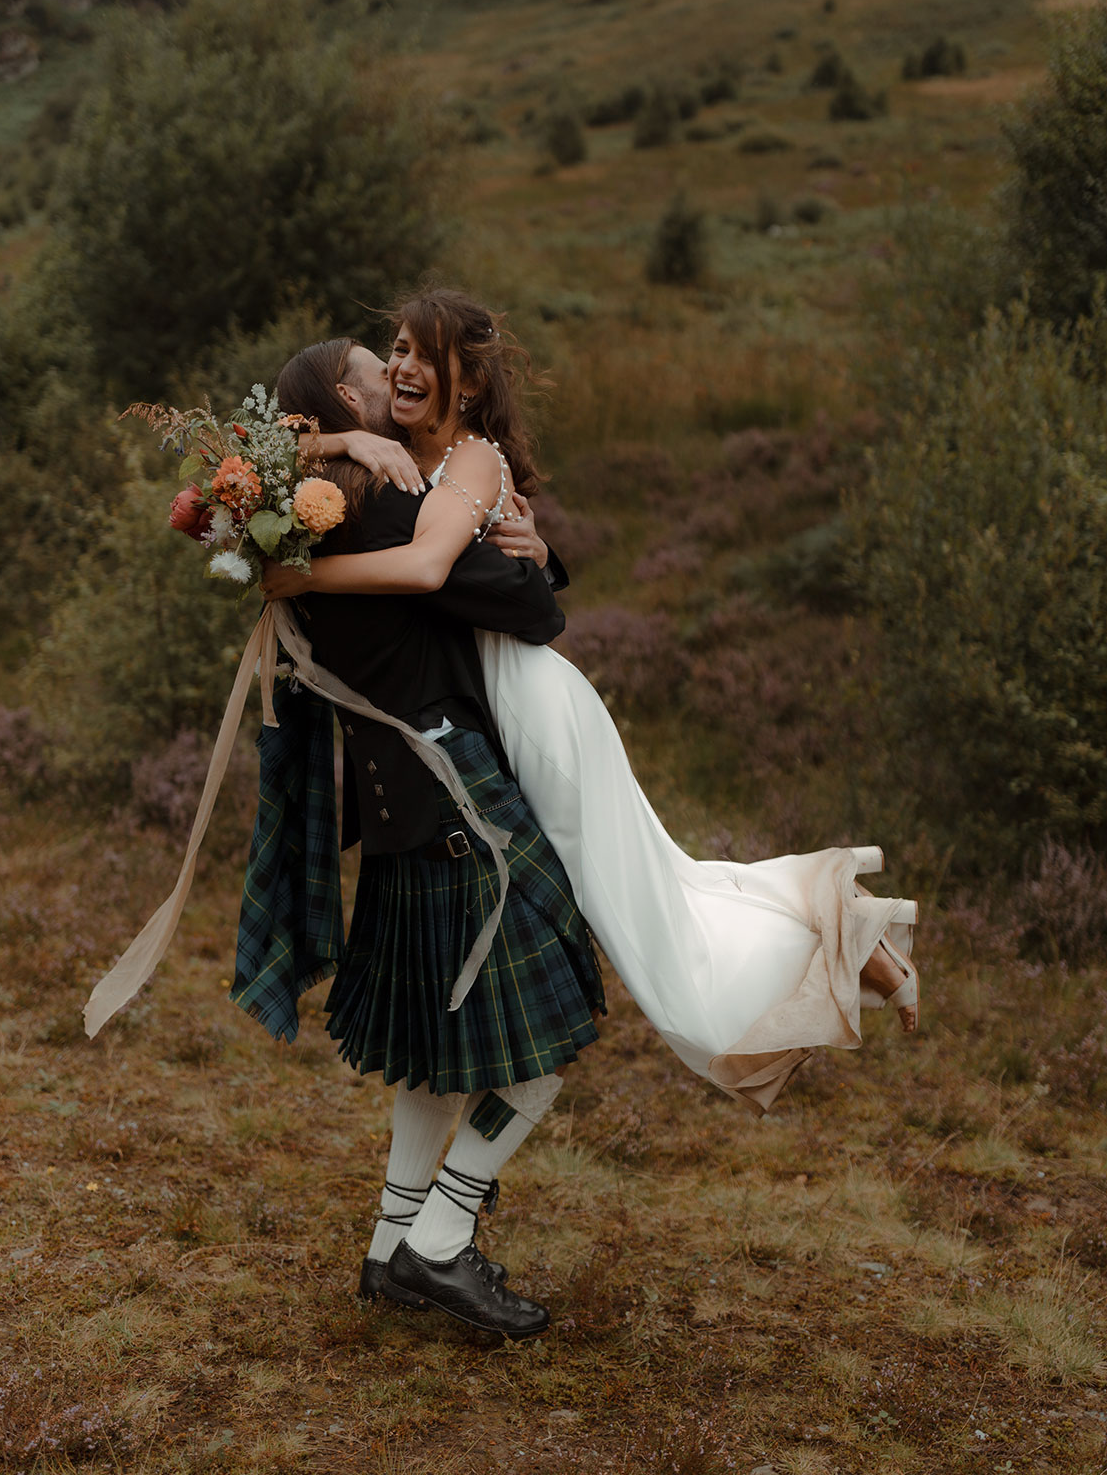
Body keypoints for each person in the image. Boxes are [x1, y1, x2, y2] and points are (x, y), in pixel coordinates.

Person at [262, 289, 920, 1123]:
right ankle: (841, 929)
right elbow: (267, 450)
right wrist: (344, 438)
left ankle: (847, 936)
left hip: (532, 703)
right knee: (651, 880)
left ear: (469, 381)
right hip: (491, 701)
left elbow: (429, 570)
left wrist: (302, 574)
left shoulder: (470, 458)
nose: (401, 368)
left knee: (636, 903)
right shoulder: (392, 458)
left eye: (423, 354)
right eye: (394, 350)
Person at [249, 335, 605, 1340]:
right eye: (377, 370)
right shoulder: (387, 509)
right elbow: (531, 609)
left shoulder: (302, 516)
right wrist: (531, 555)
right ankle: (439, 1244)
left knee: (430, 1058)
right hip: (457, 800)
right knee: (546, 1043)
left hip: (401, 806)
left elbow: (249, 455)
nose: (395, 383)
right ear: (347, 398)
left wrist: (333, 448)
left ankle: (388, 1251)